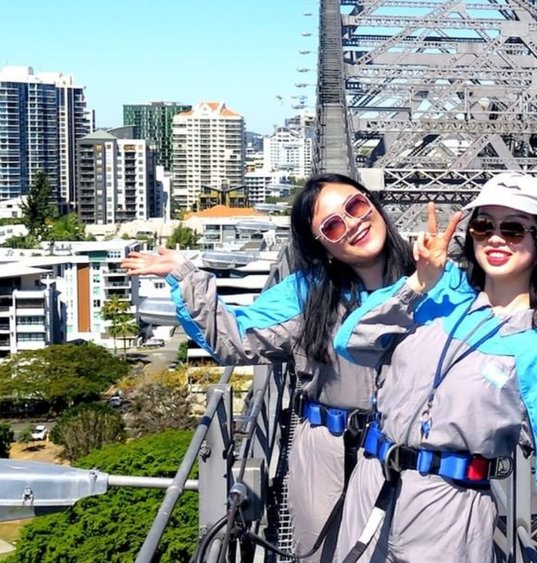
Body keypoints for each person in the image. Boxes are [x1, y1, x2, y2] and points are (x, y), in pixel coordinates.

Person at [333, 172, 537, 562]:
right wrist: (417, 283)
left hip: (448, 509)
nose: (496, 238)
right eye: (484, 226)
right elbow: (351, 341)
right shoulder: (439, 296)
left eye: (515, 229)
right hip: (372, 484)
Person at [121, 173, 414, 562]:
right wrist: (184, 275)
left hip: (411, 453)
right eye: (332, 225)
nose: (353, 224)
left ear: (372, 203)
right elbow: (235, 339)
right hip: (330, 455)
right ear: (322, 246)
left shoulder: (430, 276)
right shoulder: (308, 292)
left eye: (356, 206)